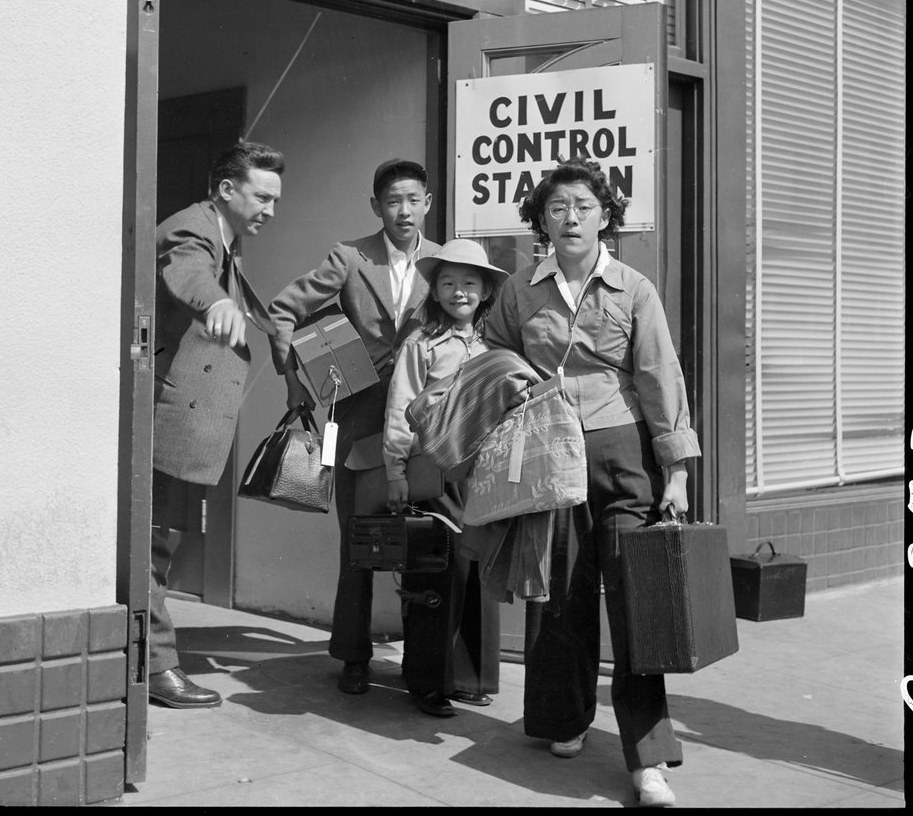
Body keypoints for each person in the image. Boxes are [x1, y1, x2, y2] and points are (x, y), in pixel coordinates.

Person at [484, 157, 701, 808]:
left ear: (605, 215)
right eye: (557, 207)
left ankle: (648, 759)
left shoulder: (632, 287)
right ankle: (564, 717)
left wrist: (679, 471)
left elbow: (663, 376)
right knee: (561, 597)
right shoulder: (521, 291)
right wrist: (507, 388)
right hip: (550, 454)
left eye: (583, 205)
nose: (570, 216)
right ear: (541, 221)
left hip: (622, 454)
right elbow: (492, 355)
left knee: (638, 606)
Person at [268, 159, 441, 696]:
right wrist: (293, 382)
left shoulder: (443, 261)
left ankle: (426, 667)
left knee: (425, 534)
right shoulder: (349, 257)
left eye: (413, 199)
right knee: (357, 538)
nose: (404, 210)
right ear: (376, 207)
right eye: (393, 201)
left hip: (421, 420)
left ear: (427, 203)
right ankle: (353, 657)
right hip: (352, 415)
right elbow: (282, 310)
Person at [149, 142, 285, 708]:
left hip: (184, 422)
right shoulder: (194, 229)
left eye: (276, 200)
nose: (271, 210)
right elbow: (189, 270)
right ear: (227, 189)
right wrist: (214, 304)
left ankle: (146, 661)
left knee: (161, 543)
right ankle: (155, 668)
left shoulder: (227, 241)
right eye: (262, 196)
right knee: (151, 543)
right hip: (163, 419)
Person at [382, 239, 506, 717]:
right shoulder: (421, 345)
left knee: (478, 571)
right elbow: (399, 410)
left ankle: (473, 678)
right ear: (435, 290)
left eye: (469, 283)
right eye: (448, 283)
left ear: (485, 291)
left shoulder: (496, 343)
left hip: (484, 475)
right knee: (437, 573)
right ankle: (426, 682)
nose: (459, 291)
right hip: (434, 472)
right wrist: (396, 472)